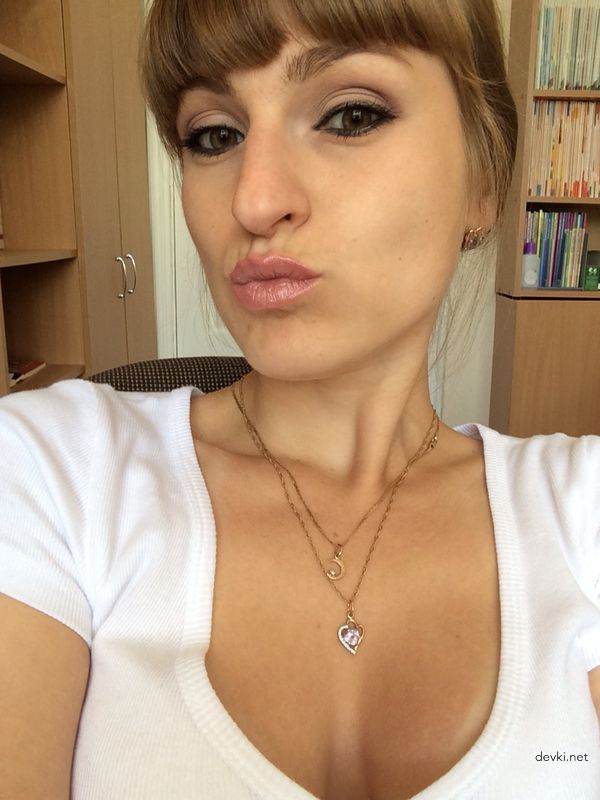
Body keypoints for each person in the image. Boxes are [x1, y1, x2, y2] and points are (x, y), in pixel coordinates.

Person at [1, 1, 599, 799]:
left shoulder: (582, 513)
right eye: (214, 135)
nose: (254, 202)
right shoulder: (49, 471)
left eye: (350, 115)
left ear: (483, 182)